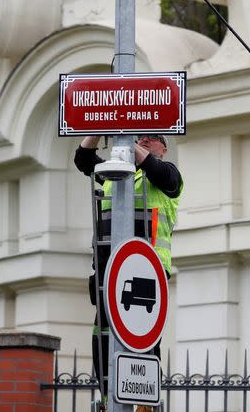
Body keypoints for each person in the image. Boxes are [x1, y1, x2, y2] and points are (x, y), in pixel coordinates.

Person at [74, 134, 183, 411]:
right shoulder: (114, 176)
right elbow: (83, 160)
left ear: (164, 148)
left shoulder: (167, 176)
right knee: (103, 335)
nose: (145, 140)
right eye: (140, 136)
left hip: (147, 274)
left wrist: (127, 140)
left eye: (151, 138)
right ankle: (108, 398)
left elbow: (157, 171)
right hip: (108, 275)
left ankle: (144, 404)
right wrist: (99, 128)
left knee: (142, 339)